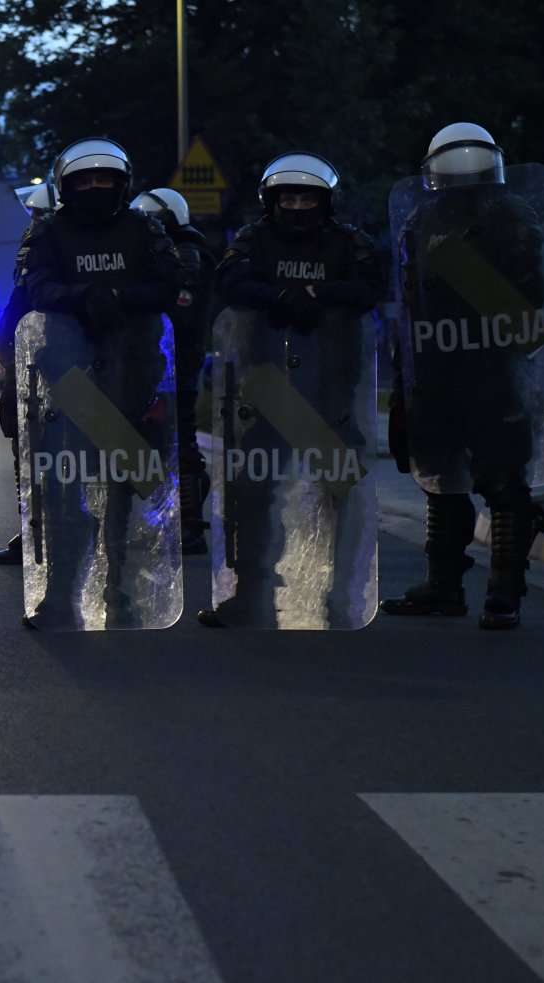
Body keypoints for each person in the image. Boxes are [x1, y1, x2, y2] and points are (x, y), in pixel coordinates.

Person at [380, 123, 544, 630]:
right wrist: (403, 384)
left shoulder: (510, 217)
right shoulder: (419, 220)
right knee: (440, 480)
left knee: (501, 483)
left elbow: (535, 297)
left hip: (492, 369)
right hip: (438, 368)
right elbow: (411, 309)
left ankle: (504, 590)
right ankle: (444, 585)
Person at [199, 153, 380, 627]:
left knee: (340, 490)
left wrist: (319, 297)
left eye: (307, 198)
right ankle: (249, 590)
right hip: (268, 388)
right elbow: (230, 282)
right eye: (289, 198)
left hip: (332, 389)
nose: (298, 206)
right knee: (252, 492)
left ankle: (342, 593)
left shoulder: (349, 242)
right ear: (271, 201)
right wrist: (279, 297)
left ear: (326, 202)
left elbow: (372, 286)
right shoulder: (252, 240)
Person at [14, 137, 181, 628]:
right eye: (83, 180)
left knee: (125, 496)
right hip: (69, 385)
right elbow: (33, 288)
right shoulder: (47, 232)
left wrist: (118, 298)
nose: (93, 186)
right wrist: (83, 296)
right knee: (66, 493)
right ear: (66, 186)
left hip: (134, 377)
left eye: (103, 179)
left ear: (122, 183)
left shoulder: (145, 229)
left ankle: (121, 594)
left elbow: (170, 284)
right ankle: (60, 595)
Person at [130, 187, 217, 555]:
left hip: (175, 360)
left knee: (179, 440)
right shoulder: (175, 253)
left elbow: (179, 313)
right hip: (166, 359)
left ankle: (190, 525)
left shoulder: (186, 257)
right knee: (167, 439)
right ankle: (175, 519)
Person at [0, 182, 57, 566]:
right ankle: (33, 529)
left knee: (71, 457)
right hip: (29, 368)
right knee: (28, 455)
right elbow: (19, 302)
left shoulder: (64, 245)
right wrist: (1, 344)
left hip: (65, 368)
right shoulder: (34, 246)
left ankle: (83, 532)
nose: (33, 220)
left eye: (38, 213)